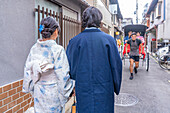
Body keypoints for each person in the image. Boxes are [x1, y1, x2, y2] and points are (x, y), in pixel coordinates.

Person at [66, 7, 122, 113]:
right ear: (99, 20)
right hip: (105, 87)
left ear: (84, 21)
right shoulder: (109, 40)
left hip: (83, 87)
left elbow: (70, 67)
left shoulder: (74, 41)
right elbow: (116, 66)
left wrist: (73, 86)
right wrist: (115, 85)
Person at [22, 17, 75, 113]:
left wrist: (31, 89)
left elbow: (28, 72)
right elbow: (63, 77)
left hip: (39, 92)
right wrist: (69, 88)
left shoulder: (34, 49)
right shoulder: (58, 50)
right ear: (55, 31)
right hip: (53, 94)